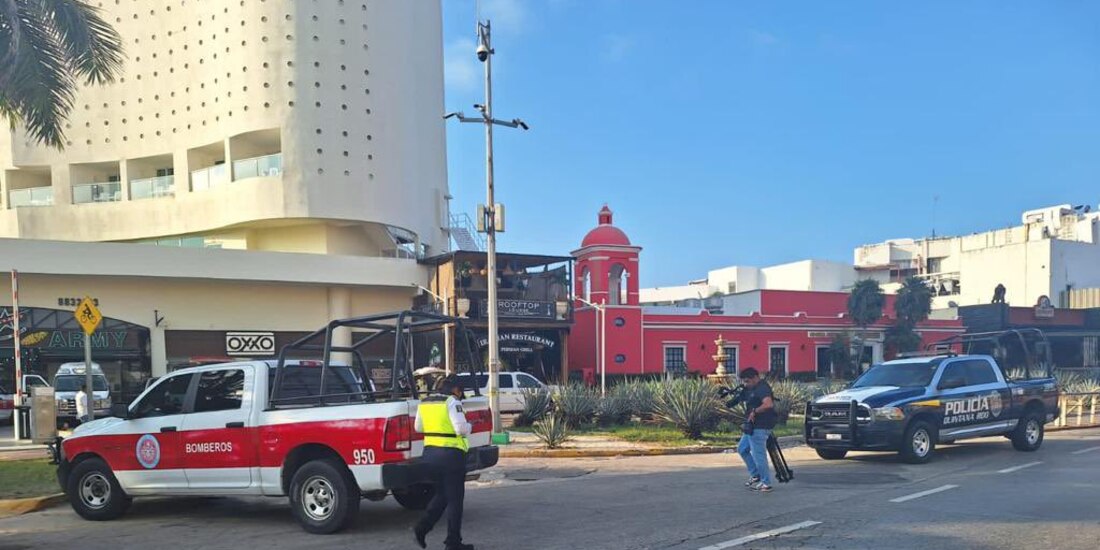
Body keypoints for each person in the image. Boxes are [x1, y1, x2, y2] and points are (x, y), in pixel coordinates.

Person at [413, 375, 474, 550]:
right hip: (451, 456)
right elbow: (461, 429)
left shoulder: (425, 402)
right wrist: (470, 425)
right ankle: (453, 543)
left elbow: (418, 427)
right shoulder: (452, 402)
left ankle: (422, 528)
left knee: (442, 495)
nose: (461, 394)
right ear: (455, 389)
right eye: (460, 391)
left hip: (430, 455)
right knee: (455, 500)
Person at [736, 368, 777, 493]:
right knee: (742, 449)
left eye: (748, 381)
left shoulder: (762, 388)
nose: (746, 384)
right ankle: (756, 475)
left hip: (760, 426)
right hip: (752, 426)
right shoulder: (753, 388)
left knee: (759, 455)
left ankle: (766, 483)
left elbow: (768, 404)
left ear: (755, 377)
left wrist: (755, 411)